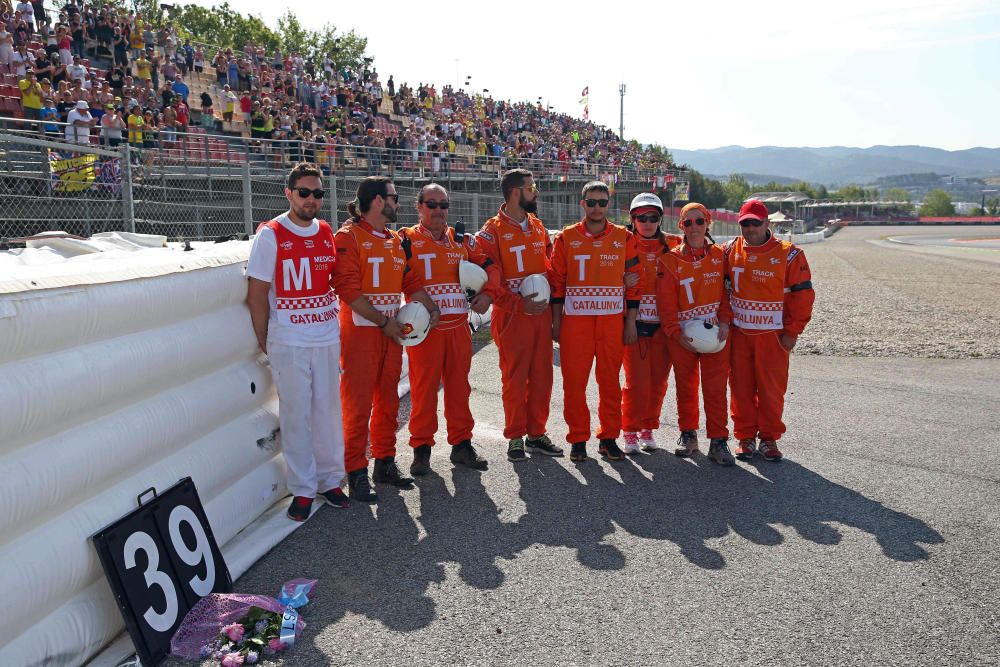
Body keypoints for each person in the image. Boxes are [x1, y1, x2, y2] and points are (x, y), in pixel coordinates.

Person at [245, 162, 349, 521]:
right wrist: (265, 338)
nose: (311, 199)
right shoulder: (271, 234)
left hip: (326, 336)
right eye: (304, 192)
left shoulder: (325, 230)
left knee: (328, 412)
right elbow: (257, 293)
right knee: (296, 415)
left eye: (317, 193)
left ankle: (330, 480)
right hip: (289, 340)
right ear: (288, 193)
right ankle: (303, 488)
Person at [330, 176, 439, 502]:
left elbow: (411, 282)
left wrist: (431, 308)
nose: (398, 203)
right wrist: (383, 322)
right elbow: (347, 289)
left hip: (390, 334)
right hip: (361, 335)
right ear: (378, 200)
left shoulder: (395, 240)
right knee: (358, 405)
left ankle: (384, 462)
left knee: (388, 401)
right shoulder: (348, 237)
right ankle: (356, 471)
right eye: (393, 197)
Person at [400, 184, 499, 475]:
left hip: (458, 328)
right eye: (431, 204)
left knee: (459, 390)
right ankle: (421, 449)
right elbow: (397, 273)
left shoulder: (461, 239)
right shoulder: (405, 240)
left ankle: (462, 444)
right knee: (423, 391)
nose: (438, 210)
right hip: (425, 332)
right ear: (418, 207)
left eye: (443, 205)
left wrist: (488, 294)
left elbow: (492, 268)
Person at [549, 181, 642, 462]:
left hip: (611, 323)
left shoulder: (624, 237)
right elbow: (557, 284)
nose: (597, 208)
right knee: (574, 384)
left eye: (602, 202)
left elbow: (635, 284)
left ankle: (608, 438)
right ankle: (578, 438)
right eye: (591, 202)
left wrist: (630, 322)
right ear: (583, 204)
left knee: (609, 382)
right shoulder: (566, 238)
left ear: (608, 205)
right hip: (575, 324)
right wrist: (556, 324)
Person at [476, 169, 563, 462]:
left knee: (542, 377)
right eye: (531, 187)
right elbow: (491, 280)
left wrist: (553, 304)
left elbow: (549, 267)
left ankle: (536, 433)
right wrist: (518, 305)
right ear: (516, 192)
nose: (536, 192)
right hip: (512, 317)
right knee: (514, 378)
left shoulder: (538, 225)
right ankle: (515, 436)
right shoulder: (492, 231)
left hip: (540, 315)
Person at [725, 199, 815, 461]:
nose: (750, 228)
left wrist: (792, 333)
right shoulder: (729, 249)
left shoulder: (790, 254)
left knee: (771, 391)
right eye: (745, 224)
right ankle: (745, 436)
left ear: (767, 223)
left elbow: (803, 297)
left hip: (773, 338)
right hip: (740, 335)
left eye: (756, 223)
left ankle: (768, 438)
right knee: (740, 389)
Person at [656, 202, 735, 465]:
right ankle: (688, 434)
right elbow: (665, 303)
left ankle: (718, 440)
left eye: (699, 221)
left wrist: (725, 322)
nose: (694, 227)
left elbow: (726, 295)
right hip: (683, 336)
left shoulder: (720, 256)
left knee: (716, 389)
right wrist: (674, 333)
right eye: (688, 222)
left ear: (707, 223)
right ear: (681, 226)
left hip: (715, 334)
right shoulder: (669, 260)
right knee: (686, 387)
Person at [620, 193, 682, 454]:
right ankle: (629, 430)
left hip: (664, 326)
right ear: (632, 219)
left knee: (658, 382)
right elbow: (601, 274)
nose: (647, 222)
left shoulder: (675, 243)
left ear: (660, 219)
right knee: (636, 383)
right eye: (641, 217)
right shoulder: (621, 242)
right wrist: (621, 281)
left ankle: (648, 427)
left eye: (652, 217)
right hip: (633, 324)